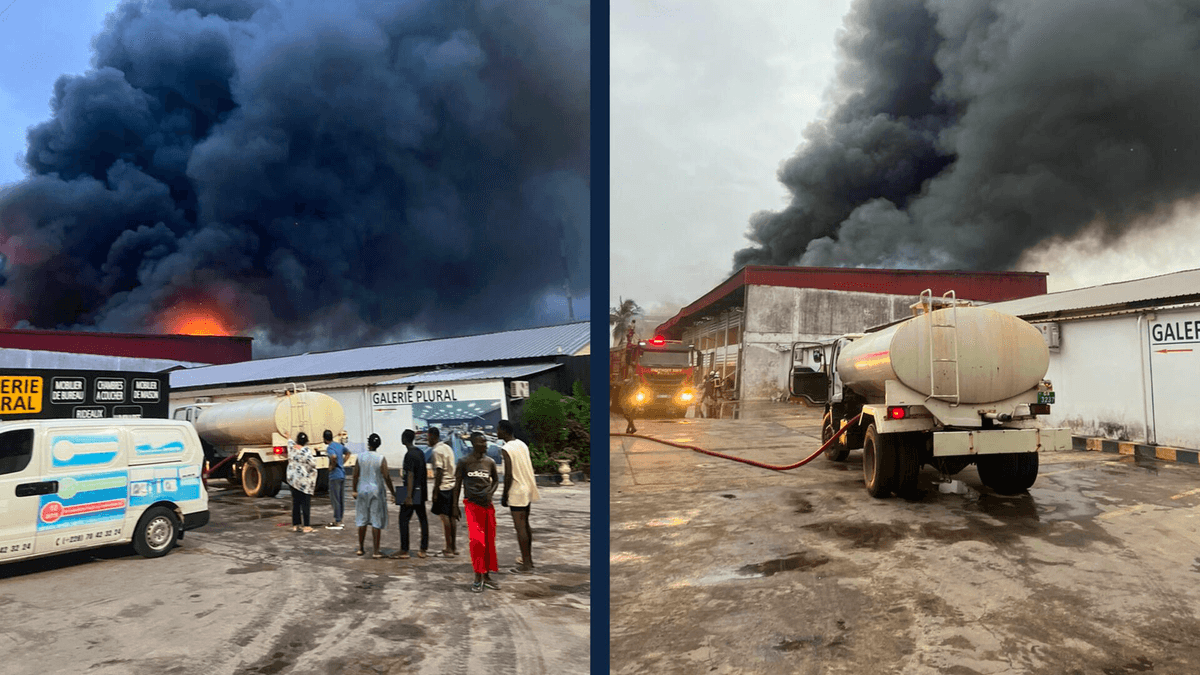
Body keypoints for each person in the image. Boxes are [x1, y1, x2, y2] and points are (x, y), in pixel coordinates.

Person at [452, 432, 499, 593]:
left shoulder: (490, 462)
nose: (485, 445)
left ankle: (487, 576)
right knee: (477, 542)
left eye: (485, 442)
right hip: (472, 506)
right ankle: (477, 576)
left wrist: (490, 493)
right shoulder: (464, 462)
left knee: (489, 541)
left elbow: (496, 480)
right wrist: (454, 505)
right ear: (473, 444)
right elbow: (457, 484)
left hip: (488, 506)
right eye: (481, 442)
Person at [498, 420, 539, 573]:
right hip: (527, 488)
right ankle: (528, 559)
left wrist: (504, 494)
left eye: (498, 430)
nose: (496, 432)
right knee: (526, 525)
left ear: (503, 431)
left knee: (520, 527)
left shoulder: (506, 448)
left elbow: (508, 474)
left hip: (516, 490)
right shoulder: (522, 444)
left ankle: (527, 565)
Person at [352, 432, 395, 558]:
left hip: (362, 490)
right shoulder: (381, 458)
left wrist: (354, 489)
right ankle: (376, 551)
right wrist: (393, 492)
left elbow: (355, 474)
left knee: (362, 519)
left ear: (368, 443)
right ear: (378, 444)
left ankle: (360, 548)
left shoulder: (360, 457)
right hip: (376, 491)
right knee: (376, 520)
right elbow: (386, 476)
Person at [395, 429, 429, 559]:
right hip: (422, 489)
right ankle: (423, 549)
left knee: (403, 520)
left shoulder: (409, 455)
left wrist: (408, 496)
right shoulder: (420, 452)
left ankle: (404, 550)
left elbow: (410, 475)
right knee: (423, 519)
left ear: (404, 439)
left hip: (410, 491)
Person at [427, 426, 458, 557]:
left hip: (443, 487)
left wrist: (435, 491)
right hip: (452, 485)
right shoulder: (447, 448)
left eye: (428, 437)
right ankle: (453, 547)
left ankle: (448, 549)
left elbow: (439, 472)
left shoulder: (437, 451)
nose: (427, 440)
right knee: (452, 517)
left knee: (444, 518)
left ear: (433, 437)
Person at [287, 431, 317, 533]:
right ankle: (307, 526)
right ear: (306, 442)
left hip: (293, 480)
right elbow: (312, 463)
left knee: (295, 503)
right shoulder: (306, 451)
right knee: (305, 503)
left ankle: (296, 525)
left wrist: (289, 437)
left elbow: (290, 442)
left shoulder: (292, 448)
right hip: (303, 481)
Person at [324, 429, 349, 529]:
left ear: (325, 439)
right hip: (342, 474)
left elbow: (333, 457)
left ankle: (337, 521)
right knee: (341, 498)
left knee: (335, 499)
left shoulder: (330, 448)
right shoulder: (339, 445)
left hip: (335, 476)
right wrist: (342, 462)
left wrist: (332, 466)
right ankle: (340, 519)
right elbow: (348, 453)